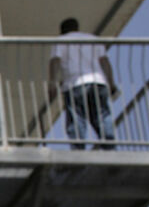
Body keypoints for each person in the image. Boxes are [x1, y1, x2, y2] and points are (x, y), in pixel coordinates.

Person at [49, 17, 118, 149]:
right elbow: (105, 62)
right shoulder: (93, 39)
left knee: (76, 118)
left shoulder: (60, 41)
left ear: (62, 31)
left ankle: (78, 150)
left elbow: (55, 61)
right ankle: (110, 147)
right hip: (98, 82)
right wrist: (111, 83)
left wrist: (52, 83)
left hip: (74, 83)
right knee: (102, 116)